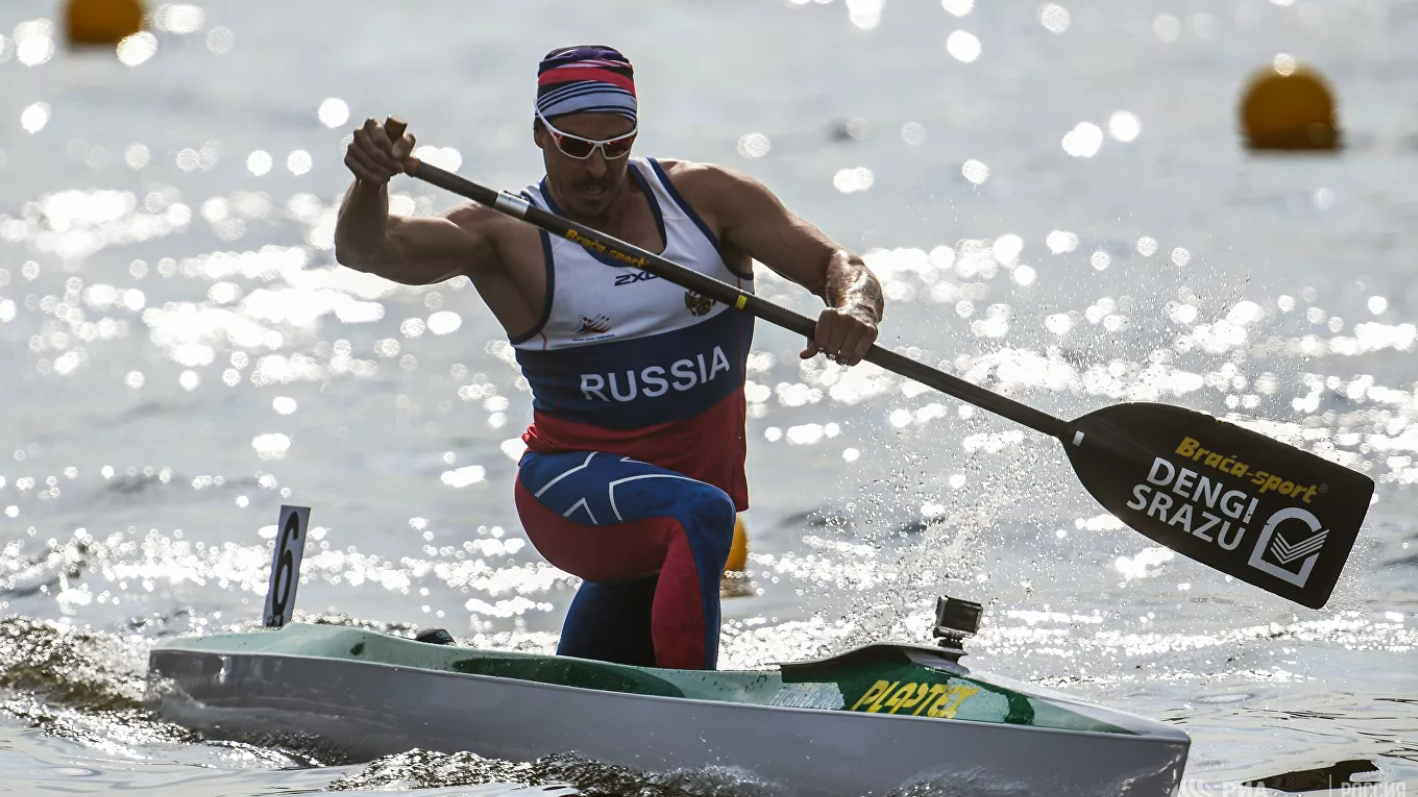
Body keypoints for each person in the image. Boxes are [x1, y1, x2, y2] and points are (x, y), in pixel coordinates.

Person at [334, 45, 884, 670]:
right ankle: (698, 722)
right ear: (540, 134)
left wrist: (854, 310)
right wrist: (370, 181)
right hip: (570, 493)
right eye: (574, 147)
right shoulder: (503, 234)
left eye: (616, 146)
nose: (597, 169)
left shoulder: (709, 200)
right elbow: (368, 251)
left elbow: (842, 267)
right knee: (701, 512)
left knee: (605, 666)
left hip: (669, 524)